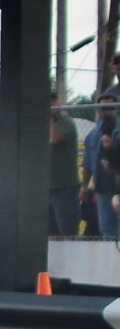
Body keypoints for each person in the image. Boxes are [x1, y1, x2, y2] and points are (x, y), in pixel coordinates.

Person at [83, 91, 118, 239]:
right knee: (107, 230)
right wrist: (84, 186)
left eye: (111, 108)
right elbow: (88, 162)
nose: (106, 112)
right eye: (103, 108)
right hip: (103, 187)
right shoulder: (93, 134)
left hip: (118, 184)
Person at [49, 90, 80, 236]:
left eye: (53, 100)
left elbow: (55, 139)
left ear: (59, 102)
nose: (50, 104)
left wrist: (49, 118)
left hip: (65, 187)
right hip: (47, 187)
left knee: (67, 232)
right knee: (50, 233)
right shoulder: (40, 125)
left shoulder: (66, 122)